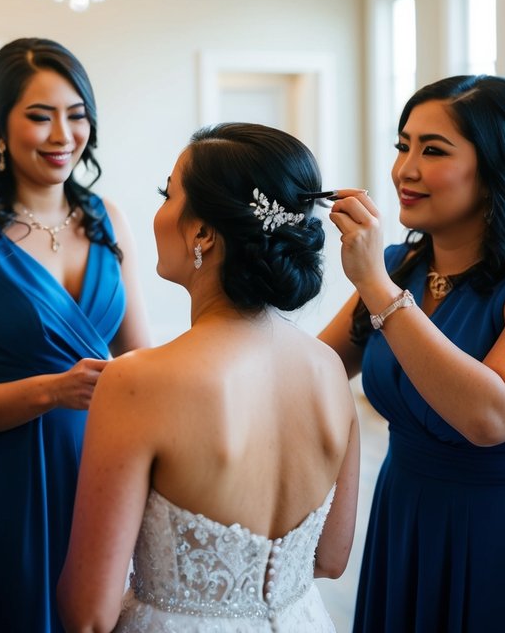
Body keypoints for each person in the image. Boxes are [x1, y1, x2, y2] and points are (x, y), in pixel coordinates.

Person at [318, 74, 505, 631]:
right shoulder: (405, 267)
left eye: (433, 150)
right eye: (403, 145)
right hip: (407, 515)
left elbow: (491, 414)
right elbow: (313, 370)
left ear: (497, 166)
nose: (405, 169)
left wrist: (376, 288)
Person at [57, 123, 360, 632]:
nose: (157, 213)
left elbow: (89, 613)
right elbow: (330, 559)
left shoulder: (139, 381)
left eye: (167, 193)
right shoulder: (329, 367)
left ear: (202, 232)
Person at [0, 37, 151, 632]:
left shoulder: (106, 219)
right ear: (1, 126)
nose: (61, 135)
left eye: (76, 116)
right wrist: (53, 391)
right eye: (40, 117)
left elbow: (142, 358)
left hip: (105, 471)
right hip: (10, 485)